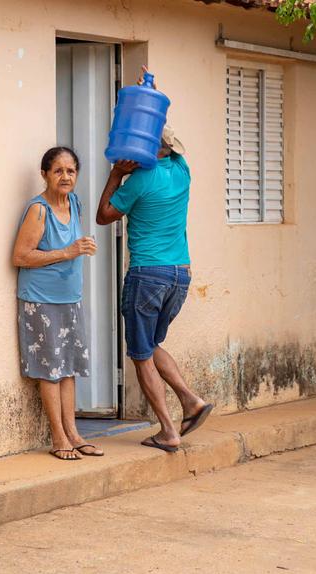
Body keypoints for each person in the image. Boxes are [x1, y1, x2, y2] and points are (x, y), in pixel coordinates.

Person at [95, 119, 213, 453]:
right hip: (180, 275)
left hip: (148, 275)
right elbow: (165, 132)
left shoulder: (140, 180)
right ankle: (191, 402)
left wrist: (116, 174)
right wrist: (152, 100)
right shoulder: (181, 169)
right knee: (151, 344)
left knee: (140, 354)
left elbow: (103, 216)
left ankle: (168, 431)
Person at [11, 147, 105, 461]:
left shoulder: (74, 203)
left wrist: (77, 250)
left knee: (68, 368)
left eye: (71, 171)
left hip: (70, 299)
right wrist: (68, 251)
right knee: (50, 369)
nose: (65, 177)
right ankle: (58, 437)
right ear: (45, 174)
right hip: (41, 301)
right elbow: (21, 256)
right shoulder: (38, 210)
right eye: (58, 171)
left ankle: (74, 433)